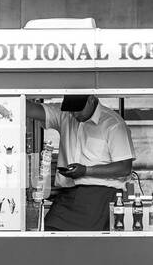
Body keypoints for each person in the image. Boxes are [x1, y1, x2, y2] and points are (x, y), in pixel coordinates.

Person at [26, 95, 135, 230]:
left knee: (85, 245)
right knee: (48, 235)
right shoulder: (66, 115)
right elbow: (28, 109)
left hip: (99, 196)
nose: (75, 114)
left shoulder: (113, 124)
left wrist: (86, 170)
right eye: (71, 110)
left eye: (78, 110)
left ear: (91, 100)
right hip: (67, 195)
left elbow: (124, 167)